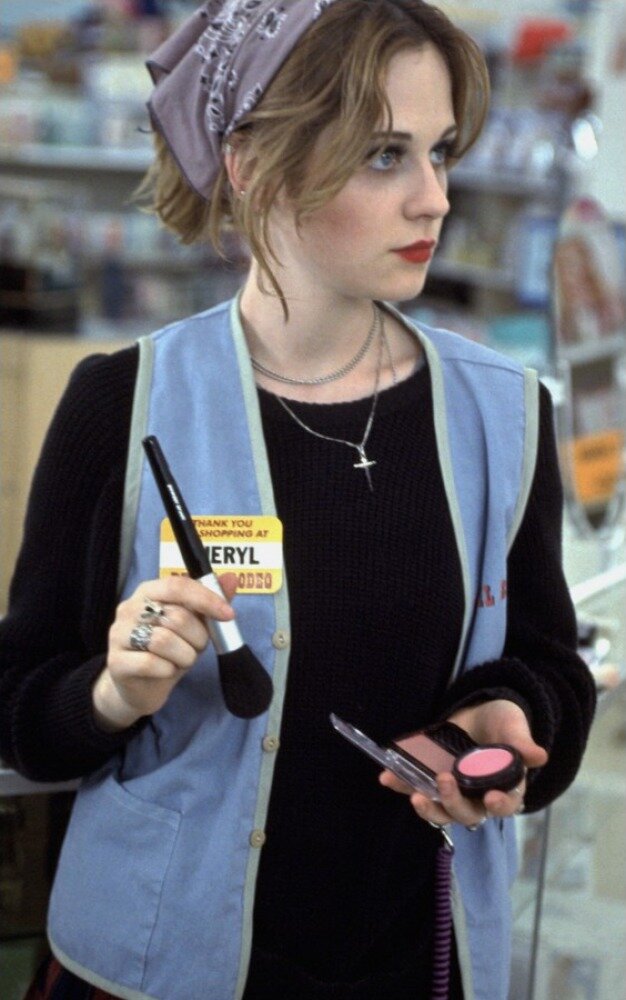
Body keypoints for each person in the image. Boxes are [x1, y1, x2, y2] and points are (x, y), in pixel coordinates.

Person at [0, 2, 596, 999]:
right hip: (155, 967)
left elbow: (550, 669)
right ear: (252, 167)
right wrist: (114, 694)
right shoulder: (125, 403)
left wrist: (505, 714)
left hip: (420, 962)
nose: (434, 199)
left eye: (440, 152)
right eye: (383, 156)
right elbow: (20, 705)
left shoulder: (504, 411)